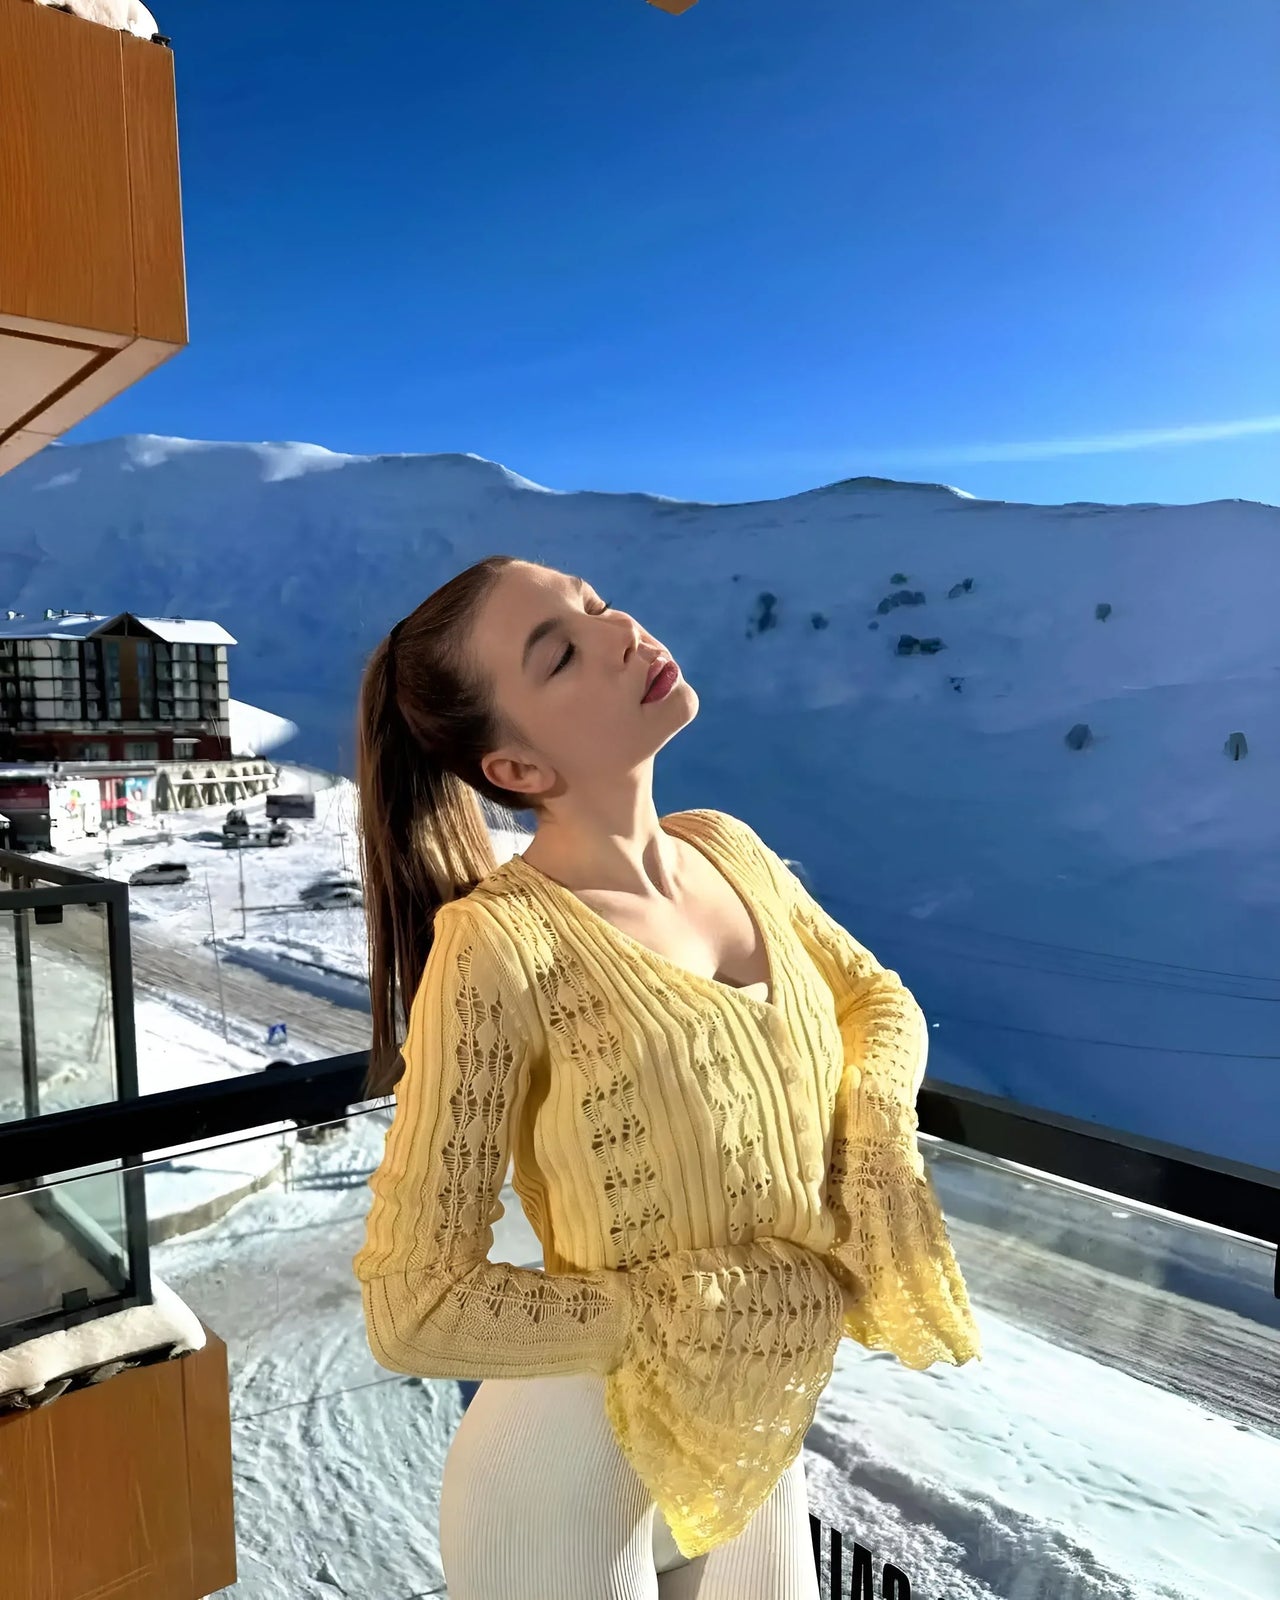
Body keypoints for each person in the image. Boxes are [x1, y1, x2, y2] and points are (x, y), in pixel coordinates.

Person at [352, 556, 981, 1600]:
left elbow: (876, 999)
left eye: (594, 606)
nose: (617, 632)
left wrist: (871, 1138)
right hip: (565, 1470)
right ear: (516, 770)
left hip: (750, 1424)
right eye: (558, 653)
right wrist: (680, 1313)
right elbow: (413, 1304)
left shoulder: (726, 849)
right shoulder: (497, 946)